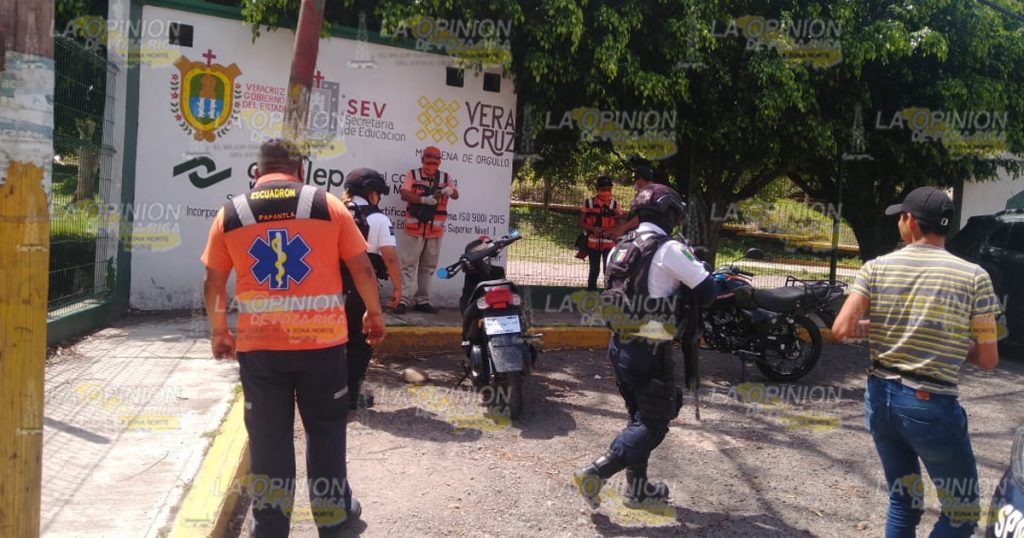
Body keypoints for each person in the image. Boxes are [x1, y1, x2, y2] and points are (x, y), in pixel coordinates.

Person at [201, 139, 386, 537]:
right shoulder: (327, 205)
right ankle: (334, 520)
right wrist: (373, 313)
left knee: (268, 440)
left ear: (257, 173)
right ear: (301, 171)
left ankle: (269, 527)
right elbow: (362, 269)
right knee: (326, 434)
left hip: (261, 350)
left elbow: (214, 281)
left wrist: (219, 331)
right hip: (322, 349)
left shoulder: (230, 213)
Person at [832, 186, 1001, 538]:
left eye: (900, 217)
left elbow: (842, 328)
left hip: (881, 399)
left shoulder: (876, 268)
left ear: (909, 221)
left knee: (903, 502)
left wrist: (885, 325)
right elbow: (988, 358)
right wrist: (958, 343)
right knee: (962, 511)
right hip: (930, 405)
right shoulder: (975, 277)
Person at [574, 184, 718, 509]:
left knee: (638, 417)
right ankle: (595, 472)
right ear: (669, 214)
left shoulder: (620, 247)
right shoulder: (668, 249)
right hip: (650, 352)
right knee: (653, 424)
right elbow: (707, 291)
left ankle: (637, 490)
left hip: (620, 347)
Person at [341, 168, 402, 410]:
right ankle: (352, 395)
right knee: (359, 342)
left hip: (327, 288)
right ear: (371, 192)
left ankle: (322, 392)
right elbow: (390, 259)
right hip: (360, 290)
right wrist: (399, 288)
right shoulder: (379, 219)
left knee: (329, 342)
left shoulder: (336, 212)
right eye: (378, 193)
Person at [395, 145, 459, 314]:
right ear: (422, 160)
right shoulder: (413, 174)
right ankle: (403, 300)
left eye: (434, 164)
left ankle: (422, 301)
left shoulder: (445, 177)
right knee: (408, 265)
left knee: (428, 268)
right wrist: (422, 200)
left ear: (439, 163)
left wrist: (450, 190)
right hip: (414, 229)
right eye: (428, 163)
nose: (431, 168)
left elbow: (456, 195)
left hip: (435, 231)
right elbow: (404, 194)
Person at [578, 175, 623, 290]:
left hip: (609, 244)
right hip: (593, 244)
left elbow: (621, 223)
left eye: (608, 190)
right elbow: (580, 222)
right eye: (603, 190)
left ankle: (609, 295)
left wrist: (611, 231)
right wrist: (593, 229)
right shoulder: (589, 203)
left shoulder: (615, 205)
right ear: (597, 190)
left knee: (607, 270)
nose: (606, 192)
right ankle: (591, 296)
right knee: (594, 270)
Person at [610, 164, 656, 238]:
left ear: (640, 180)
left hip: (642, 235)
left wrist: (623, 229)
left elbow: (640, 217)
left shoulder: (646, 194)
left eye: (636, 180)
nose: (634, 184)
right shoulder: (655, 191)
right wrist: (623, 216)